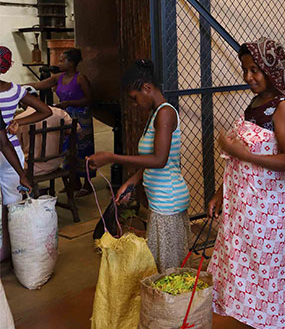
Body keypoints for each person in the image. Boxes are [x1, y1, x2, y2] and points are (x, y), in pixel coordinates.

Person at [208, 38, 285, 329]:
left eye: (255, 70)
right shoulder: (255, 105)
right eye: (246, 69)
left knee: (271, 287)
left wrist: (238, 152)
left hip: (269, 213)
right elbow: (238, 159)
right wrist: (221, 191)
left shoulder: (283, 108)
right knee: (257, 282)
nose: (249, 76)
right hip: (245, 210)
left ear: (271, 68)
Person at [87, 60, 191, 273]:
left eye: (135, 98)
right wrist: (131, 182)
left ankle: (177, 308)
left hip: (168, 201)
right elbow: (150, 163)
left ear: (147, 88)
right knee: (160, 268)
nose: (135, 104)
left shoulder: (166, 113)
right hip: (159, 201)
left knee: (170, 271)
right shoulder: (155, 114)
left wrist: (112, 157)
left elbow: (160, 160)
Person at [0, 47, 51, 259]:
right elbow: (45, 111)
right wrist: (18, 121)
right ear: (8, 66)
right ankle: (16, 252)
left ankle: (2, 250)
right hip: (11, 152)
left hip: (5, 146)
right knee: (13, 204)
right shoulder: (15, 90)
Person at [30, 48, 95, 196]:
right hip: (66, 118)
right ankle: (74, 181)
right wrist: (16, 87)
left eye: (61, 60)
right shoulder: (58, 77)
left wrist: (69, 103)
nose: (58, 63)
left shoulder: (80, 78)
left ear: (71, 63)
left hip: (81, 118)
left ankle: (88, 184)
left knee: (83, 151)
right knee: (67, 149)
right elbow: (39, 85)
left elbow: (89, 99)